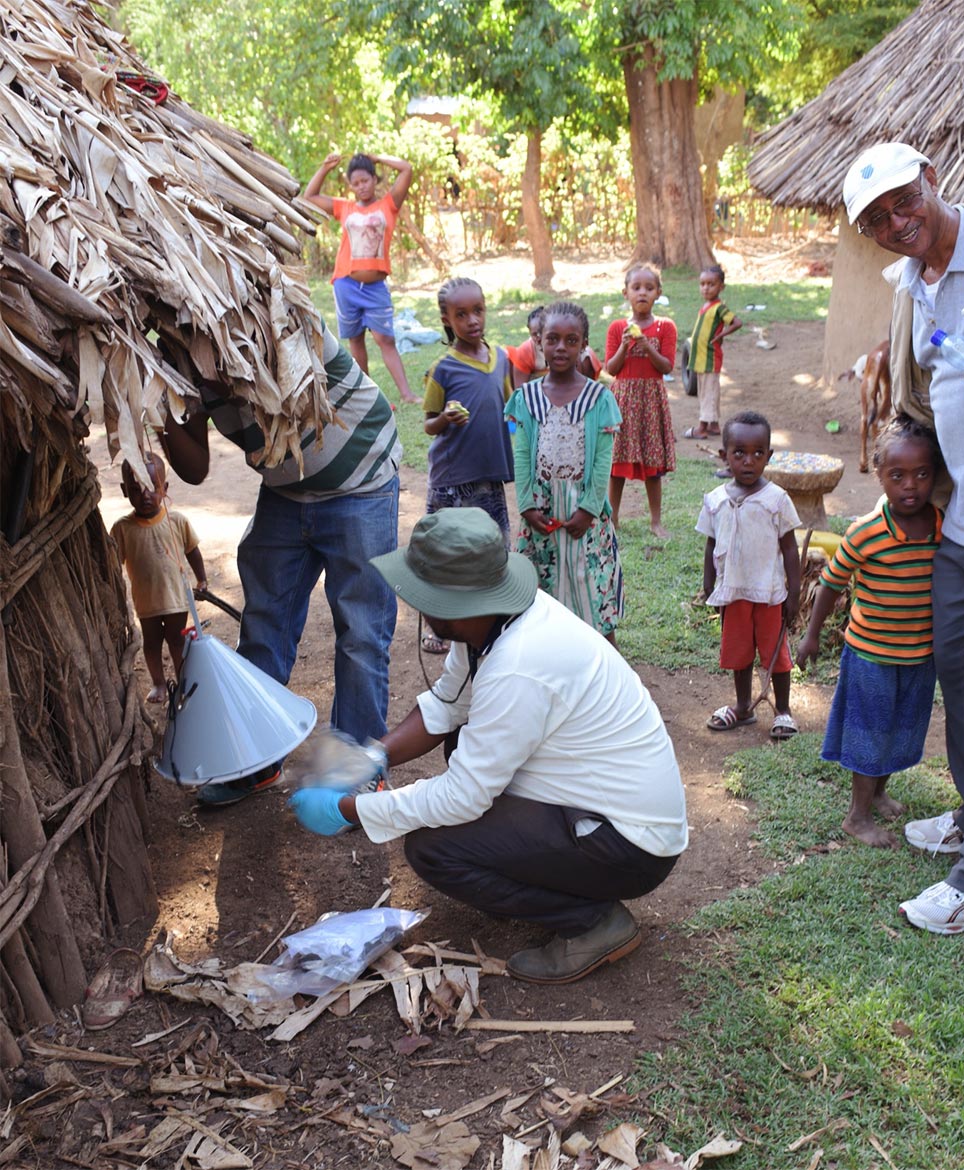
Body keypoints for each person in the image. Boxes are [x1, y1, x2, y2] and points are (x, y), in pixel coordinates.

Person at [288, 508, 688, 985]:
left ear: (457, 600)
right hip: (604, 810)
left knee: (434, 848)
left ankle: (594, 924)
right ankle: (532, 874)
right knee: (461, 742)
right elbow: (447, 705)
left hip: (629, 845)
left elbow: (464, 796)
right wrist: (374, 756)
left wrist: (351, 810)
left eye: (422, 596)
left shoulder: (519, 663)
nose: (417, 607)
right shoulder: (492, 622)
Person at [842, 141, 964, 932]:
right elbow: (927, 388)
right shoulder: (910, 284)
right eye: (877, 219)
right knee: (963, 682)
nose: (897, 222)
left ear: (933, 177)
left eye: (905, 200)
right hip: (959, 524)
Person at [158, 323, 401, 806]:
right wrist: (158, 400)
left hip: (361, 480)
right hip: (286, 489)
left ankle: (356, 764)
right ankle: (256, 758)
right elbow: (195, 468)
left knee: (361, 629)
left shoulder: (271, 318)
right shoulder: (174, 358)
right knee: (265, 621)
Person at [796, 418, 943, 848]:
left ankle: (878, 792)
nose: (910, 486)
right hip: (872, 656)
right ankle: (856, 816)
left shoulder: (940, 525)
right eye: (897, 476)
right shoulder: (866, 532)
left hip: (918, 654)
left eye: (922, 474)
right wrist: (810, 636)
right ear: (878, 474)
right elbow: (832, 583)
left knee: (901, 728)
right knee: (870, 732)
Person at [505, 301, 623, 644]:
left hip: (583, 516)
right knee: (539, 597)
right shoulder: (526, 398)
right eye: (552, 338)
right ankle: (548, 666)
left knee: (591, 594)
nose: (561, 347)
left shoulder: (599, 399)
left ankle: (605, 672)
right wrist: (526, 505)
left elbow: (603, 461)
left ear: (584, 345)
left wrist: (589, 508)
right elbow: (523, 455)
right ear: (538, 341)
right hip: (540, 514)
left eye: (571, 340)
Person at [421, 276, 514, 652]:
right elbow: (429, 424)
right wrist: (445, 418)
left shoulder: (502, 359)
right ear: (447, 319)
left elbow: (512, 408)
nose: (473, 320)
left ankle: (491, 616)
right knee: (444, 552)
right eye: (462, 314)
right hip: (452, 480)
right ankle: (436, 623)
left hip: (489, 476)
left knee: (493, 546)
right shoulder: (442, 369)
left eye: (478, 311)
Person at [697, 410, 801, 741]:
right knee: (739, 654)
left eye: (758, 453)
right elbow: (712, 544)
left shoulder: (777, 500)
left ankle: (783, 710)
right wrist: (708, 585)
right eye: (739, 453)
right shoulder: (714, 501)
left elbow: (789, 549)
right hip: (734, 593)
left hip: (769, 593)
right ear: (723, 455)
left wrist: (794, 591)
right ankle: (743, 707)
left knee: (776, 655)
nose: (748, 461)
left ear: (769, 456)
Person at [302, 150, 419, 404]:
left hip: (376, 286)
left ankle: (407, 394)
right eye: (355, 183)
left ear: (374, 180)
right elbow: (308, 197)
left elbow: (406, 169)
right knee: (356, 339)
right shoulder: (345, 207)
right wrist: (325, 168)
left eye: (365, 180)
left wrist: (378, 157)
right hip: (346, 284)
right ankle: (370, 397)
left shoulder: (389, 204)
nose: (361, 187)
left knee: (384, 338)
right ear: (351, 186)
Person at [111, 453, 207, 704]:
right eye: (136, 488)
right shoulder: (122, 529)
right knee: (151, 644)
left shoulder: (177, 521)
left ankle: (183, 681)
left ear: (164, 488)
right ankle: (158, 684)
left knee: (178, 641)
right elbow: (112, 565)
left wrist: (202, 580)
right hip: (146, 602)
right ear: (124, 490)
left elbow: (192, 551)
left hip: (176, 598)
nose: (145, 495)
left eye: (152, 488)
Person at [604, 263, 677, 539]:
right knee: (617, 464)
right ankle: (614, 519)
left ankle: (656, 521)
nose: (642, 293)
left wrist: (647, 346)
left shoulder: (664, 327)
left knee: (653, 464)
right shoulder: (617, 328)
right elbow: (611, 368)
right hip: (623, 400)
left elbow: (667, 367)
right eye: (636, 288)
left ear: (658, 293)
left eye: (649, 288)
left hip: (651, 401)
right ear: (626, 293)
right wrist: (625, 345)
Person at [683, 264, 742, 442]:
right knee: (707, 391)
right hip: (701, 357)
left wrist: (723, 334)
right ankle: (714, 425)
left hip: (710, 358)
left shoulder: (719, 307)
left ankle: (702, 428)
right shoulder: (707, 306)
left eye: (711, 284)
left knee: (708, 392)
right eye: (703, 284)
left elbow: (736, 322)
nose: (706, 288)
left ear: (721, 287)